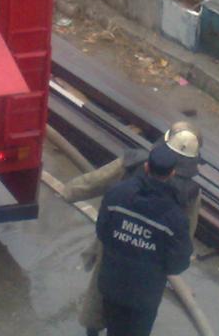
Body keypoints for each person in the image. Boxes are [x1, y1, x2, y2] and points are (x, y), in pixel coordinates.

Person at [65, 122, 203, 336]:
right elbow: (184, 240)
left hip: (114, 249)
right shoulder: (190, 193)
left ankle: (93, 330)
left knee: (99, 299)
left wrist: (69, 191)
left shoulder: (132, 165)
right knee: (137, 320)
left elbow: (94, 183)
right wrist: (167, 265)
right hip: (150, 273)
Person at [95, 142, 194, 336]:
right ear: (172, 173)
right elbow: (178, 263)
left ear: (147, 167)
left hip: (112, 284)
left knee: (113, 330)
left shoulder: (117, 194)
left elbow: (102, 232)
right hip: (145, 296)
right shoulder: (175, 218)